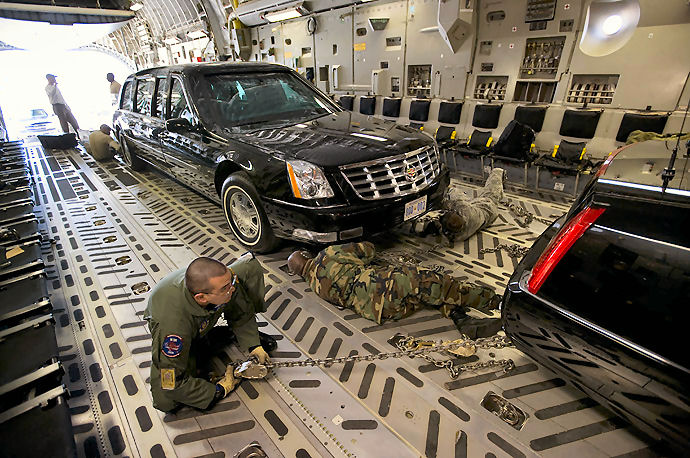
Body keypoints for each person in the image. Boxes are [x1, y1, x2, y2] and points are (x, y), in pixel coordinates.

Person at [144, 254, 277, 412]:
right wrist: (219, 390)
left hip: (203, 312)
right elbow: (170, 383)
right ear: (201, 298)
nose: (232, 288)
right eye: (226, 288)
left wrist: (253, 345)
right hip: (182, 328)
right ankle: (204, 341)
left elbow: (241, 311)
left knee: (244, 271)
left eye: (231, 282)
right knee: (166, 402)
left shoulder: (225, 283)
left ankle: (220, 334)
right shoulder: (173, 329)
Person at [288, 242, 502, 338]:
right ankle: (495, 302)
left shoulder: (314, 285)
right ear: (307, 255)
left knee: (425, 297)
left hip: (380, 311)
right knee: (436, 284)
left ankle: (462, 319)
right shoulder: (326, 254)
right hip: (383, 286)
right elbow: (367, 249)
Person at [410, 168, 505, 246]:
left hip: (477, 211)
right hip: (488, 209)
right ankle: (498, 171)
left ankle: (497, 173)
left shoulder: (454, 232)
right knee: (491, 194)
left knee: (457, 194)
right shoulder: (464, 211)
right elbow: (455, 196)